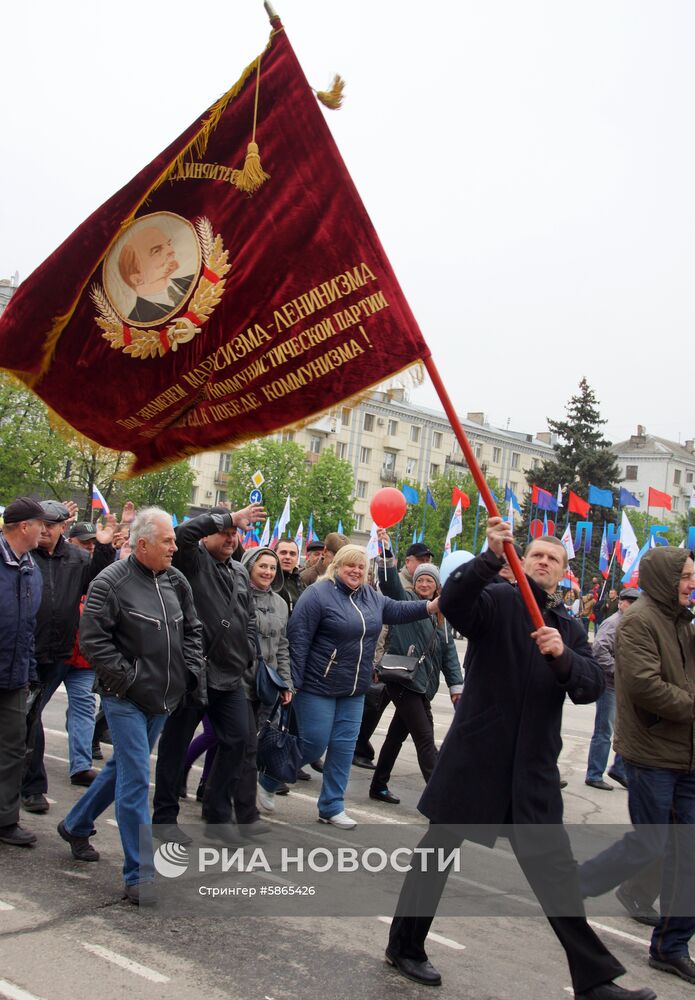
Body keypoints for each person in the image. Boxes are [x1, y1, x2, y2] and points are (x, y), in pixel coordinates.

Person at [385, 518, 655, 1000]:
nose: (544, 563)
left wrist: (563, 657)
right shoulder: (499, 600)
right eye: (535, 556)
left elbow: (592, 686)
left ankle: (594, 980)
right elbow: (455, 602)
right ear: (520, 561)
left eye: (553, 560)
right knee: (436, 856)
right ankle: (405, 946)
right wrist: (489, 556)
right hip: (478, 759)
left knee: (555, 875)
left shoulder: (569, 627)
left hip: (532, 769)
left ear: (563, 572)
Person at [57, 508, 203, 903]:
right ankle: (139, 874)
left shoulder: (176, 580)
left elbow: (193, 630)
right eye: (167, 541)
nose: (175, 546)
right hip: (125, 697)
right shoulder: (111, 582)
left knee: (124, 767)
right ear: (142, 545)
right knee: (137, 776)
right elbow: (93, 639)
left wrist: (189, 672)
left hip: (165, 696)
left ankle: (76, 823)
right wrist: (129, 679)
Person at [258, 544, 439, 828]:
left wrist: (430, 606)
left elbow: (397, 609)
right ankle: (270, 777)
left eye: (361, 567)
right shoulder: (318, 594)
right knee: (313, 743)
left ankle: (331, 806)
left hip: (354, 689)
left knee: (343, 748)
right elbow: (299, 638)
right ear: (337, 566)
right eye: (349, 565)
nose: (356, 571)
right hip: (317, 685)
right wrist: (292, 683)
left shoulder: (370, 596)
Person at [580, 546, 695, 986]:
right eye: (685, 575)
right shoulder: (639, 621)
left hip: (687, 754)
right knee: (650, 844)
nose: (691, 582)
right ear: (666, 577)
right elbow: (646, 686)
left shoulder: (684, 621)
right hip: (651, 754)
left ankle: (671, 946)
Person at [152, 504, 261, 845]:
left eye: (235, 534)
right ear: (209, 535)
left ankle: (217, 813)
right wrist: (230, 517)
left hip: (229, 675)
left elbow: (249, 616)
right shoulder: (192, 560)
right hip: (193, 673)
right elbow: (185, 533)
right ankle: (165, 817)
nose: (231, 538)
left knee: (239, 739)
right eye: (225, 532)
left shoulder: (240, 571)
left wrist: (249, 651)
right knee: (175, 746)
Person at [22, 500, 114, 812]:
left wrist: (102, 547)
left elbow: (101, 582)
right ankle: (31, 786)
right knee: (27, 717)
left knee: (32, 717)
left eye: (51, 524)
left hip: (60, 652)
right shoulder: (24, 553)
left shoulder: (77, 558)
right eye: (40, 523)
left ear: (63, 527)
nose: (44, 530)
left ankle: (34, 786)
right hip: (26, 651)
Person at [371, 542, 462, 805]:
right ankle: (441, 800)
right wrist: (387, 554)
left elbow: (450, 657)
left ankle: (378, 785)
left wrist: (457, 687)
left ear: (436, 586)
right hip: (403, 680)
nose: (424, 584)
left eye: (429, 580)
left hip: (423, 685)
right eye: (420, 579)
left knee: (396, 736)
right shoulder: (406, 600)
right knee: (425, 738)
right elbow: (390, 585)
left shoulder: (443, 618)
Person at [352, 540, 436, 770]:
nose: (424, 567)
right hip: (393, 664)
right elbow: (383, 626)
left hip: (413, 675)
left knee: (396, 730)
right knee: (374, 706)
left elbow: (443, 648)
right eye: (420, 561)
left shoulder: (436, 605)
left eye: (428, 563)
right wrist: (376, 661)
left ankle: (378, 780)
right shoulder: (401, 587)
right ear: (408, 562)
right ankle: (357, 747)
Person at [0, 498, 44, 847]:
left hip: (14, 677)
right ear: (25, 527)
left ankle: (5, 819)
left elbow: (28, 627)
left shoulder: (32, 568)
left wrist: (29, 673)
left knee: (14, 748)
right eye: (40, 525)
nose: (45, 531)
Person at [584, 588, 638, 791]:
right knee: (604, 730)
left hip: (624, 687)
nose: (633, 607)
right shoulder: (613, 623)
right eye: (630, 603)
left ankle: (619, 769)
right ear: (622, 603)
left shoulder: (630, 623)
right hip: (610, 685)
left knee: (628, 730)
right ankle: (594, 774)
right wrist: (619, 671)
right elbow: (599, 650)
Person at [118, 224, 193, 323]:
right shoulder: (137, 322)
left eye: (168, 244)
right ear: (137, 278)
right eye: (156, 251)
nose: (171, 251)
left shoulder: (196, 279)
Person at [276, 538, 305, 615]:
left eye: (292, 554)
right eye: (283, 552)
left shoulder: (302, 583)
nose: (288, 557)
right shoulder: (267, 581)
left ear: (297, 558)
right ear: (274, 554)